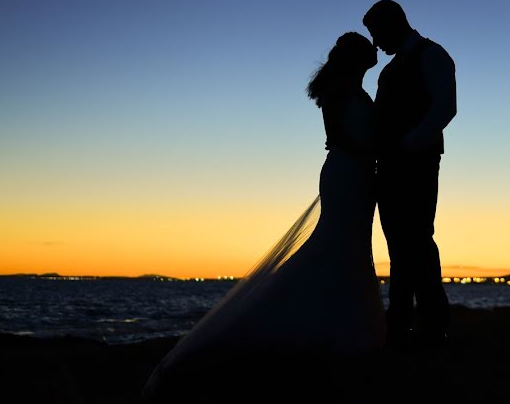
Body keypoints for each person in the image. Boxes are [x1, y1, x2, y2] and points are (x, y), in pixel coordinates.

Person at [140, 32, 386, 402]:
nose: (375, 51)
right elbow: (339, 138)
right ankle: (323, 323)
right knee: (339, 243)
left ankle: (338, 320)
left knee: (348, 246)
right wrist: (375, 152)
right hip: (348, 172)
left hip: (356, 172)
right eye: (368, 49)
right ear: (356, 58)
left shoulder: (350, 87)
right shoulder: (340, 91)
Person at [363, 0, 457, 349]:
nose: (375, 43)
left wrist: (408, 145)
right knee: (398, 247)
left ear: (393, 25)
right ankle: (400, 322)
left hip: (417, 164)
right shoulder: (389, 71)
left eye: (376, 34)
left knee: (417, 241)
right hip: (387, 167)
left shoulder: (433, 55)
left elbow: (445, 106)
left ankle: (434, 325)